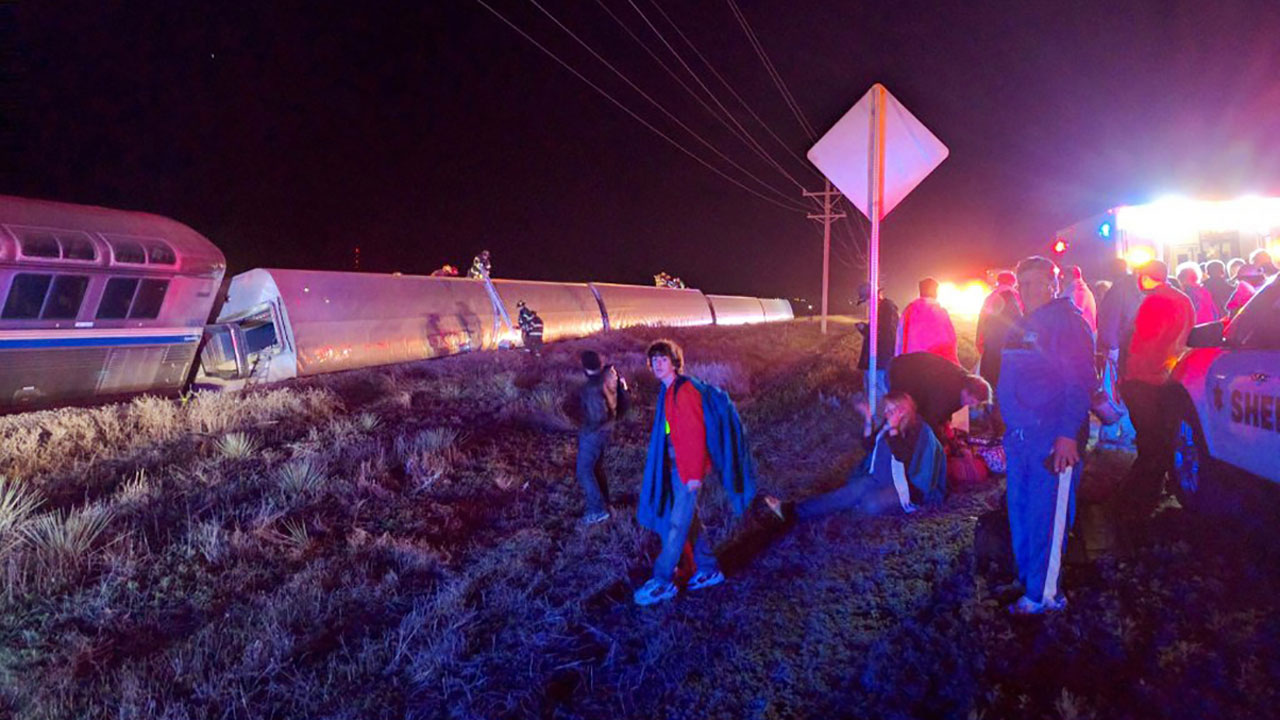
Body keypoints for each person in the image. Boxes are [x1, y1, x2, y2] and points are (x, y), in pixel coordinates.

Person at [998, 256, 1096, 615]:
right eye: (1023, 284)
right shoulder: (1023, 323)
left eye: (1038, 282)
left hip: (1051, 437)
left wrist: (1067, 435)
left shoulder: (1067, 323)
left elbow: (1079, 382)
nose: (1029, 290)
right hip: (1022, 436)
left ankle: (1045, 596)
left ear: (1054, 285)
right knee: (1021, 510)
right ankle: (1027, 579)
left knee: (1047, 514)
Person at [633, 339, 756, 606]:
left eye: (663, 359)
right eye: (654, 360)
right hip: (677, 468)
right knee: (690, 523)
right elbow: (671, 429)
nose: (657, 364)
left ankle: (662, 582)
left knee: (677, 526)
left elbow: (694, 435)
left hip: (687, 471)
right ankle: (709, 569)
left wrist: (693, 476)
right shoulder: (667, 392)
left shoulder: (684, 390)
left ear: (675, 362)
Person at [764, 392, 945, 521]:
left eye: (891, 410)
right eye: (887, 410)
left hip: (902, 486)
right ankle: (790, 511)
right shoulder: (890, 424)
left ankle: (865, 501)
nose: (887, 414)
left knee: (869, 505)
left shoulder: (918, 432)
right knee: (841, 495)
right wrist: (867, 419)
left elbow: (904, 457)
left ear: (903, 411)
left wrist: (894, 430)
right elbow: (869, 445)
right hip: (876, 478)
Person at [1120, 260, 1194, 517]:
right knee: (1161, 441)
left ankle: (1135, 502)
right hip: (1168, 377)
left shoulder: (1156, 302)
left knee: (1150, 444)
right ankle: (1146, 497)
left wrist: (1132, 375)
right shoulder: (1182, 299)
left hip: (1145, 380)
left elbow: (1147, 343)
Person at [574, 351, 630, 525]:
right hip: (607, 429)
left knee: (583, 470)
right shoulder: (610, 376)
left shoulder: (590, 388)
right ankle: (606, 504)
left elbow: (597, 415)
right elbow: (621, 403)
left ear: (583, 365)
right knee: (596, 468)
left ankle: (597, 510)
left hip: (594, 433)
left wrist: (585, 430)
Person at [888, 351, 991, 442]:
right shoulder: (948, 390)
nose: (971, 405)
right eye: (972, 401)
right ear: (967, 391)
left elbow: (943, 413)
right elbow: (930, 418)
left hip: (908, 371)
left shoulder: (963, 383)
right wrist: (941, 441)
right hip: (900, 372)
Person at [977, 271, 1023, 390]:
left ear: (999, 281)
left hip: (991, 342)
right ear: (1013, 282)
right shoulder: (1018, 296)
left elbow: (982, 319)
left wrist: (979, 339)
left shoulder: (991, 296)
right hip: (1012, 344)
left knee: (991, 377)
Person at [898, 277, 959, 364]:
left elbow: (901, 339)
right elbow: (950, 341)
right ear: (935, 292)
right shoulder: (939, 311)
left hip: (912, 363)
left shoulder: (909, 310)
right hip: (935, 365)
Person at [855, 283, 899, 400]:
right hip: (875, 359)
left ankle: (880, 417)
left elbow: (885, 335)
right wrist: (865, 329)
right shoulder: (880, 309)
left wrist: (864, 329)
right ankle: (874, 415)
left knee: (879, 392)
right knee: (871, 391)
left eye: (866, 300)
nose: (867, 305)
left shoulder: (887, 309)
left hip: (881, 360)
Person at [1064, 266, 1098, 336]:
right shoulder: (1083, 289)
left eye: (1065, 275)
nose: (1063, 278)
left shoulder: (1076, 290)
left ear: (1071, 276)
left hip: (1081, 335)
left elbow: (1072, 314)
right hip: (1087, 333)